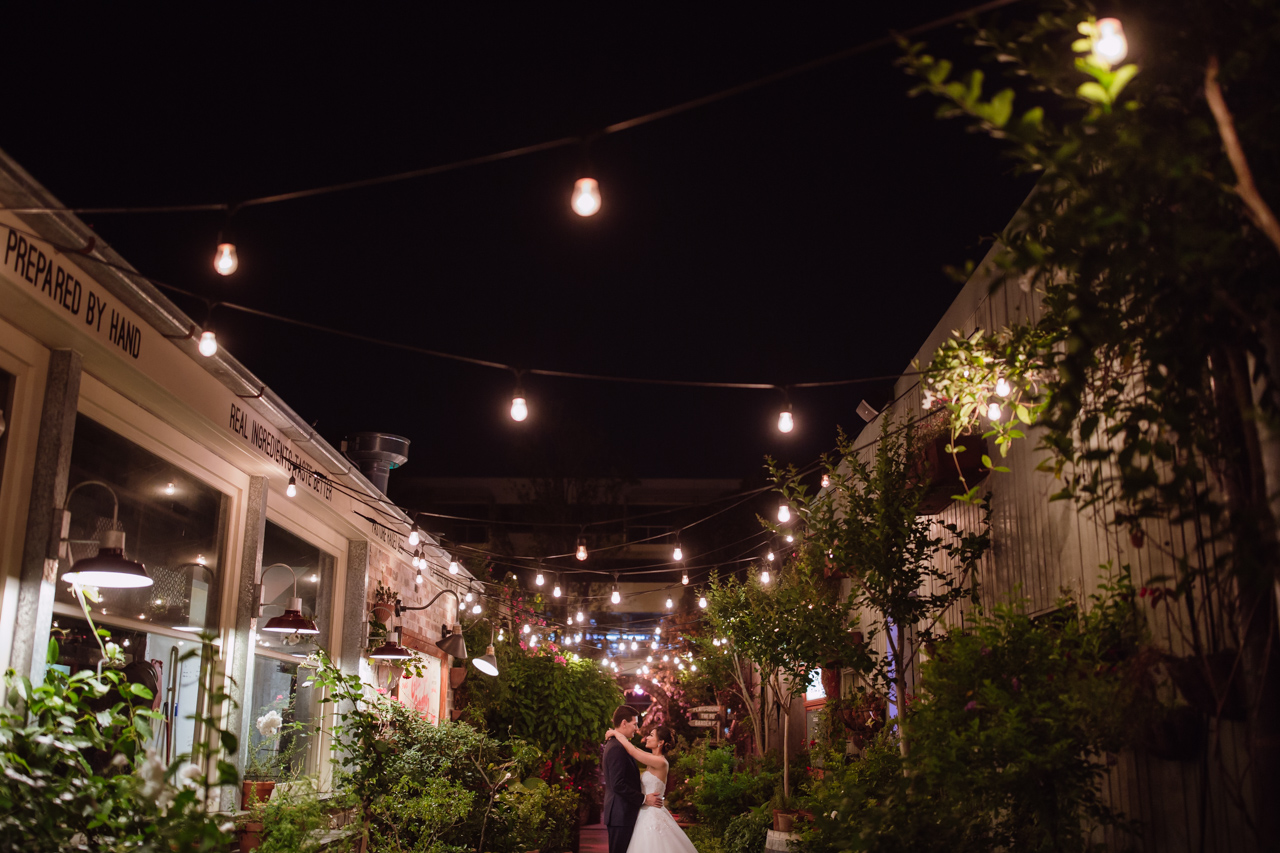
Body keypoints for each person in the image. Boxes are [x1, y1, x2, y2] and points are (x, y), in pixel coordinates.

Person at [604, 723, 698, 853]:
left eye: (651, 735)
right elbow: (636, 749)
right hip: (643, 811)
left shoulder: (661, 762)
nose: (647, 738)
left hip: (652, 813)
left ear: (660, 742)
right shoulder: (652, 759)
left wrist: (617, 734)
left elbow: (632, 751)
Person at [602, 705, 663, 853]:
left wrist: (616, 734)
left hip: (622, 814)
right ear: (624, 723)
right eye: (634, 724)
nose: (636, 729)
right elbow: (618, 784)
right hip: (620, 814)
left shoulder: (619, 744)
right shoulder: (617, 747)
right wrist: (644, 799)